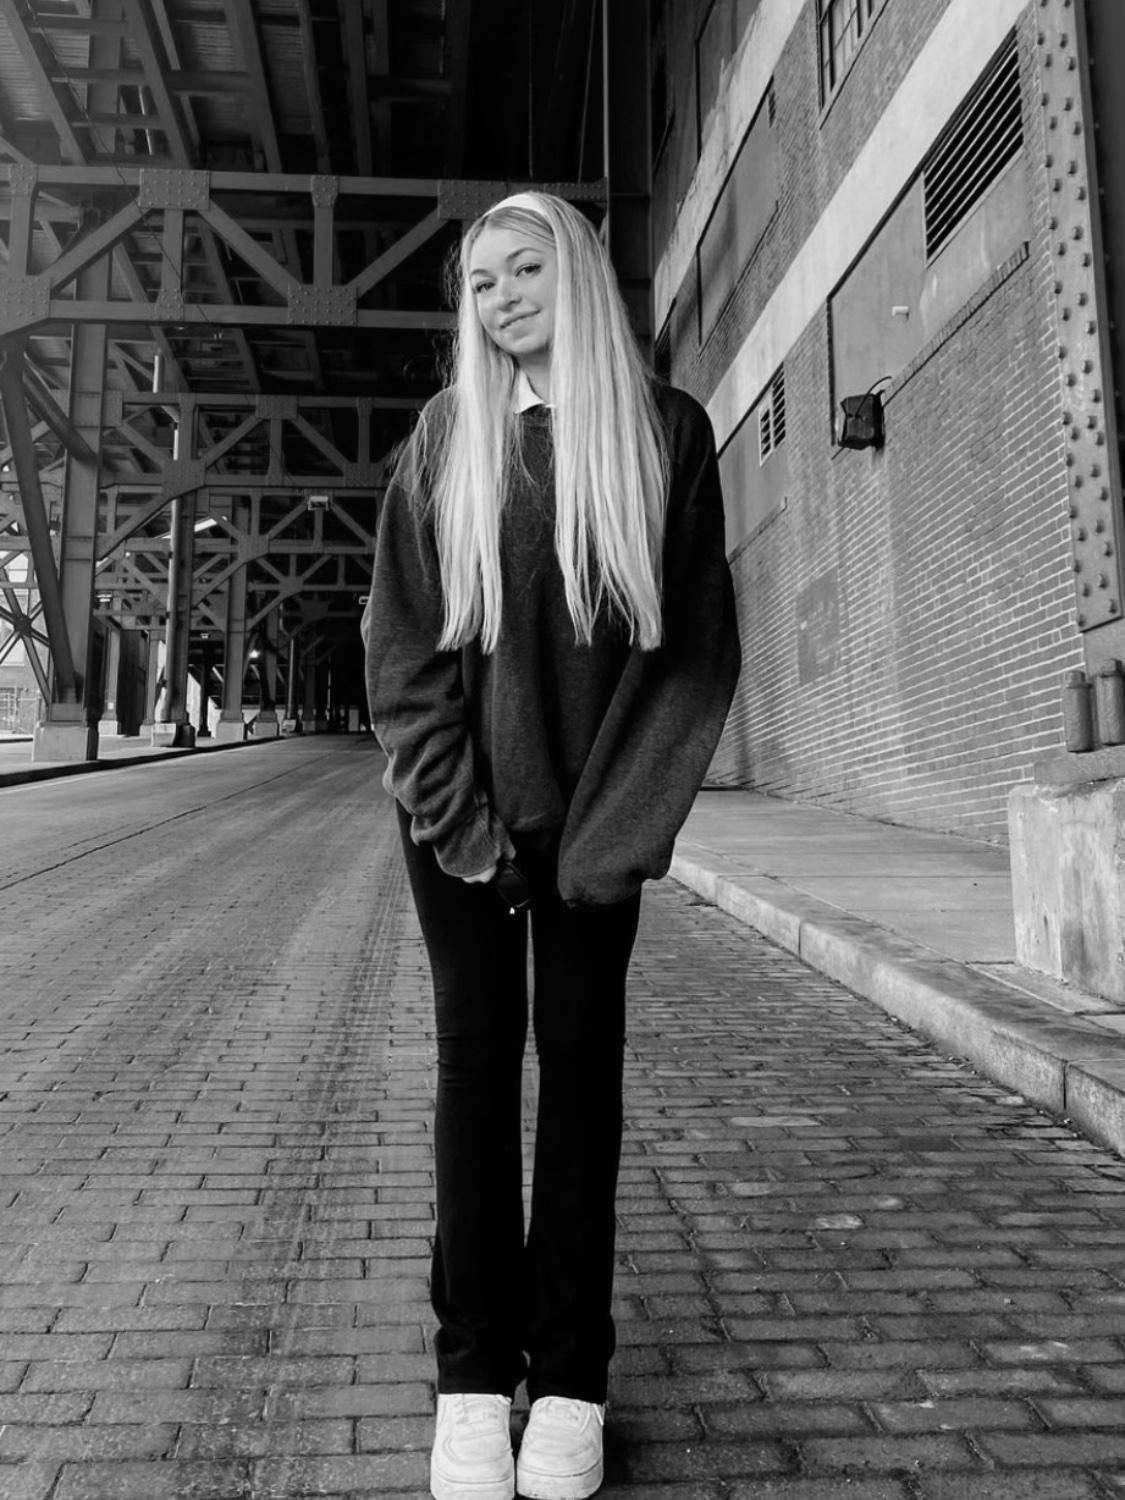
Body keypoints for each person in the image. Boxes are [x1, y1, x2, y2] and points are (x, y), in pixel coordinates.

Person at [362, 190, 740, 1500]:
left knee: (581, 1083)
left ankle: (569, 1379)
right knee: (474, 1077)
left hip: (595, 830)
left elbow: (688, 660)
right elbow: (402, 654)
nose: (501, 295)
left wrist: (610, 839)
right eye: (479, 282)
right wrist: (460, 826)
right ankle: (473, 1377)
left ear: (576, 274)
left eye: (525, 269)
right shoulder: (445, 439)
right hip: (457, 818)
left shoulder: (663, 435)